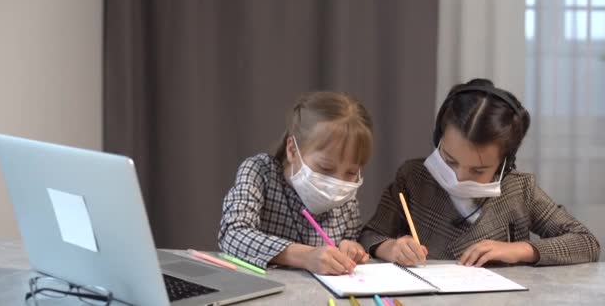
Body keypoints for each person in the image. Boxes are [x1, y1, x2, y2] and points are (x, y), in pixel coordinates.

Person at [360, 78, 600, 267]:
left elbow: (586, 243)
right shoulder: (413, 178)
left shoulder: (519, 190)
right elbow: (370, 235)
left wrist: (519, 250)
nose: (460, 177)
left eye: (478, 170)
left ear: (505, 163)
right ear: (438, 139)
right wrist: (389, 247)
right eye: (450, 161)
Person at [219, 91, 373, 274]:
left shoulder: (346, 200)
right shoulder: (260, 172)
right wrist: (306, 256)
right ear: (292, 150)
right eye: (325, 168)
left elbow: (351, 242)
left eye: (351, 172)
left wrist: (353, 249)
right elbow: (232, 234)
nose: (337, 183)